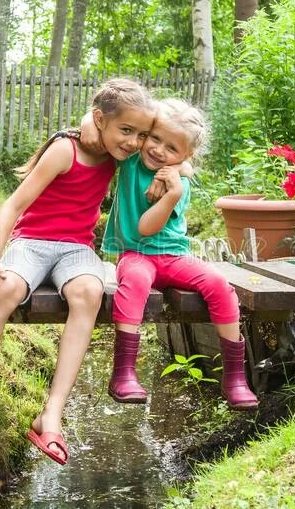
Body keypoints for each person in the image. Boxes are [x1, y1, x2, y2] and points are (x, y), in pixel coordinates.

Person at [0, 79, 156, 464]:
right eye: (126, 131)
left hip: (77, 249)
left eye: (140, 135)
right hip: (32, 242)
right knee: (6, 289)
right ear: (100, 119)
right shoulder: (65, 150)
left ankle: (51, 415)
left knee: (89, 292)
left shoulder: (120, 154)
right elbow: (11, 207)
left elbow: (173, 144)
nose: (134, 142)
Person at [101, 99, 259, 411]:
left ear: (185, 156)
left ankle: (235, 377)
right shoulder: (130, 161)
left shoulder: (180, 184)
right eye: (155, 138)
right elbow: (143, 230)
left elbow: (152, 224)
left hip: (174, 257)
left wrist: (174, 190)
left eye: (171, 149)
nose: (158, 150)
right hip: (136, 253)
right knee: (133, 282)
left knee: (219, 286)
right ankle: (123, 373)